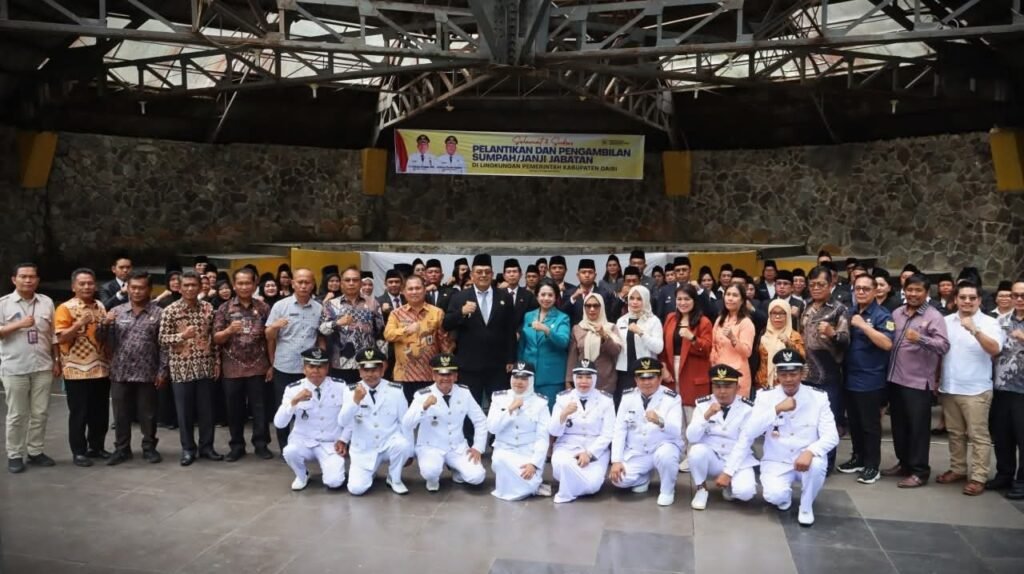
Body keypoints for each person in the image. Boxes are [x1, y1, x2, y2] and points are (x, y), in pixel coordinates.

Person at [732, 349, 839, 526]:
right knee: (774, 496)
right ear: (777, 375)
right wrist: (776, 409)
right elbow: (750, 431)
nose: (788, 379)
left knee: (817, 464)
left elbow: (832, 436)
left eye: (793, 374)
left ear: (802, 373)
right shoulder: (765, 397)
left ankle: (806, 506)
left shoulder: (818, 397)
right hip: (777, 460)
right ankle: (784, 496)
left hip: (805, 458)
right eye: (783, 374)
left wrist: (811, 451)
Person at [937, 280, 1003, 496]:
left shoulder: (990, 322)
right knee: (955, 433)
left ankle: (978, 476)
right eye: (963, 297)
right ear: (955, 300)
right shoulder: (946, 321)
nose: (967, 301)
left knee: (978, 436)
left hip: (976, 390)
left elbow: (995, 349)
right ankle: (958, 469)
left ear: (979, 300)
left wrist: (975, 330)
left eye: (972, 298)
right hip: (950, 387)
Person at [884, 273, 949, 488]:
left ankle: (920, 471)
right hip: (895, 379)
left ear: (926, 292)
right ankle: (904, 464)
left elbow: (943, 346)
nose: (913, 294)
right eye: (909, 290)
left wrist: (920, 338)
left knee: (918, 430)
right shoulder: (897, 313)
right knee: (899, 427)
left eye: (918, 290)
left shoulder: (934, 316)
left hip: (918, 383)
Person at [101, 271, 167, 466]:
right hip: (120, 371)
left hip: (148, 372)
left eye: (141, 288)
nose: (137, 291)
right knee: (121, 414)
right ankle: (122, 449)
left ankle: (149, 447)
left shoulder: (159, 313)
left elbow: (164, 346)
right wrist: (105, 324)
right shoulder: (117, 311)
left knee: (148, 414)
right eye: (133, 288)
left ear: (150, 289)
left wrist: (163, 371)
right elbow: (102, 339)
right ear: (127, 289)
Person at [0, 263, 59, 473]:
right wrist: (19, 324)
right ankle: (14, 454)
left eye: (32, 277)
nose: (28, 280)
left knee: (40, 412)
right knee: (17, 414)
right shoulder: (4, 304)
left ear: (37, 280)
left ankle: (35, 451)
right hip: (15, 366)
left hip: (42, 366)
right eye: (23, 276)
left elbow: (53, 334)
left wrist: (57, 360)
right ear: (14, 279)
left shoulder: (46, 302)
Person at [158, 270, 221, 465]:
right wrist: (182, 336)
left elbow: (214, 338)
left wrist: (217, 361)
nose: (190, 289)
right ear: (179, 287)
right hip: (181, 368)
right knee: (184, 413)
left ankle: (207, 447)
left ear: (200, 287)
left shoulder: (208, 308)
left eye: (194, 285)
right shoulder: (170, 310)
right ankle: (188, 449)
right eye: (186, 285)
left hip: (205, 366)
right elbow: (162, 339)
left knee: (207, 411)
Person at [837, 274, 895, 485]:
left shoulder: (882, 315)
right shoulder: (850, 312)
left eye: (866, 288)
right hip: (849, 378)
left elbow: (887, 344)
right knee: (854, 423)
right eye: (858, 288)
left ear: (875, 291)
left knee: (870, 426)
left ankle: (872, 465)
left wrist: (863, 326)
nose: (861, 292)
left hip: (870, 380)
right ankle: (858, 458)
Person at [442, 254, 517, 412]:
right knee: (470, 409)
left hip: (497, 364)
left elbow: (510, 329)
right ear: (471, 274)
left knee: (500, 408)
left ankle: (496, 430)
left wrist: (511, 358)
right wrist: (461, 312)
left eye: (487, 272)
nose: (483, 275)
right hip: (469, 364)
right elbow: (446, 324)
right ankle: (470, 431)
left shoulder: (504, 297)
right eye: (479, 272)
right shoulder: (459, 297)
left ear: (492, 274)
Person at [213, 268, 273, 462]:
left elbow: (271, 338)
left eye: (248, 283)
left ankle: (261, 444)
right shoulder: (224, 309)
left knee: (260, 408)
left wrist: (272, 364)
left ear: (254, 285)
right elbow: (216, 338)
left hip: (258, 366)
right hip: (232, 367)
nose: (244, 287)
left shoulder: (263, 308)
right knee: (234, 410)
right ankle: (237, 446)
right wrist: (229, 330)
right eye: (240, 283)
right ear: (234, 285)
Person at [403, 353, 487, 492]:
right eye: (441, 374)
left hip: (457, 447)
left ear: (455, 376)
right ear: (434, 375)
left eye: (449, 374)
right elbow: (407, 423)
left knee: (477, 477)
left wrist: (478, 447)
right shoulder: (422, 395)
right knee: (430, 472)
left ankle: (456, 469)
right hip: (431, 447)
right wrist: (423, 407)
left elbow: (480, 420)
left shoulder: (464, 393)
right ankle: (433, 479)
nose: (445, 378)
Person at [55, 268, 111, 467]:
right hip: (76, 370)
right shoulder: (65, 308)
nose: (87, 287)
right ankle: (79, 451)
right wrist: (79, 323)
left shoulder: (100, 306)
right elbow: (61, 337)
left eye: (90, 283)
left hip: (101, 368)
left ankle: (97, 447)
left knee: (100, 412)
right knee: (79, 413)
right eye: (82, 283)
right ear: (73, 287)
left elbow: (103, 336)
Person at [338, 348, 413, 495]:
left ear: (382, 370)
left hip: (388, 443)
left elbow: (405, 423)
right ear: (360, 372)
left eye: (374, 370)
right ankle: (369, 472)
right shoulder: (351, 391)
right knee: (356, 489)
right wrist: (355, 401)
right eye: (365, 370)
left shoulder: (395, 390)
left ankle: (394, 478)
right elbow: (342, 421)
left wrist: (410, 452)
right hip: (364, 448)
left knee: (403, 445)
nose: (370, 374)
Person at [609, 358, 683, 506]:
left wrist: (660, 421)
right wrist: (616, 460)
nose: (646, 382)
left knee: (666, 456)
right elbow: (619, 430)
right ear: (636, 379)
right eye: (642, 378)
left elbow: (676, 430)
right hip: (638, 452)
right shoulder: (628, 397)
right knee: (618, 479)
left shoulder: (672, 398)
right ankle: (644, 478)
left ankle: (667, 491)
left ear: (660, 378)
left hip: (662, 447)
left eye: (651, 378)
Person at [273, 347, 347, 491]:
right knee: (290, 451)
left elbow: (349, 418)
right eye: (311, 366)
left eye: (320, 367)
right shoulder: (293, 389)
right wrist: (294, 402)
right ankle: (302, 475)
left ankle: (333, 469)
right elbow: (279, 423)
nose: (315, 370)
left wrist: (344, 439)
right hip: (303, 441)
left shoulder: (340, 386)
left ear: (327, 368)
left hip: (330, 442)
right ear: (304, 368)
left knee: (334, 482)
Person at [687, 365, 758, 510]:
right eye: (717, 386)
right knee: (696, 451)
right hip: (712, 458)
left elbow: (744, 444)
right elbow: (691, 437)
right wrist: (706, 416)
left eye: (727, 386)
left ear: (737, 388)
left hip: (737, 459)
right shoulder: (703, 404)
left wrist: (728, 473)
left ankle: (729, 484)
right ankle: (701, 489)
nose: (722, 391)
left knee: (746, 493)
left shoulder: (747, 408)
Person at [800, 266, 850, 469]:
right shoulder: (804, 305)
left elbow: (846, 340)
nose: (816, 288)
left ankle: (826, 464)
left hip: (829, 372)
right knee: (807, 421)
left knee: (828, 420)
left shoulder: (839, 309)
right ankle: (807, 460)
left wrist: (832, 333)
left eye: (821, 284)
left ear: (830, 285)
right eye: (812, 285)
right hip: (806, 373)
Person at [549, 359, 615, 503]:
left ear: (595, 378)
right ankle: (571, 486)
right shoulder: (563, 399)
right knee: (562, 465)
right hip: (567, 447)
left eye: (588, 377)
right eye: (579, 377)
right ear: (574, 378)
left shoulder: (605, 400)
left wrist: (589, 453)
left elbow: (608, 434)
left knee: (593, 486)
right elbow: (553, 431)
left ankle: (567, 488)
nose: (583, 381)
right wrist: (563, 414)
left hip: (595, 449)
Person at [487, 362, 552, 500]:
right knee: (500, 460)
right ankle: (532, 486)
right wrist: (510, 409)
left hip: (528, 452)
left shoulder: (540, 403)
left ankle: (529, 484)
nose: (519, 382)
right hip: (505, 451)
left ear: (531, 380)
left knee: (530, 481)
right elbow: (492, 428)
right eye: (516, 377)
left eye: (524, 378)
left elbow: (542, 438)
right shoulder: (499, 398)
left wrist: (534, 463)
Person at [384, 274, 451, 403]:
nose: (414, 292)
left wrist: (446, 369)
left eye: (418, 288)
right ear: (403, 292)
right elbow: (388, 335)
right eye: (410, 289)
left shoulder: (437, 312)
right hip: (404, 375)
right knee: (405, 412)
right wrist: (406, 330)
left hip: (429, 374)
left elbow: (444, 343)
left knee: (430, 410)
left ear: (425, 290)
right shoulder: (396, 314)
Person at [991, 279, 1024, 499]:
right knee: (1002, 435)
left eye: (1023, 296)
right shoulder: (1001, 320)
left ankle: (1022, 481)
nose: (1019, 299)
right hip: (1001, 387)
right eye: (1015, 295)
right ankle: (1004, 474)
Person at [518, 279, 571, 409]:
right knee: (528, 413)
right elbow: (522, 344)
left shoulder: (562, 317)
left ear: (556, 297)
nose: (546, 298)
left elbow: (564, 342)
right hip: (528, 374)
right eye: (543, 295)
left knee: (549, 412)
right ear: (537, 296)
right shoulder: (528, 316)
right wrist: (519, 367)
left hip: (551, 376)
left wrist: (547, 330)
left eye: (550, 295)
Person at [661, 284, 714, 409]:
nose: (683, 303)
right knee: (672, 412)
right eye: (679, 299)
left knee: (692, 415)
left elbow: (707, 349)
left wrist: (693, 338)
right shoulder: (671, 318)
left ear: (694, 300)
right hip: (671, 372)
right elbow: (663, 348)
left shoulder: (704, 322)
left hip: (693, 373)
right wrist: (663, 367)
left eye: (687, 299)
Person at [613, 285, 664, 406]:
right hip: (624, 372)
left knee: (646, 406)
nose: (634, 302)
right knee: (624, 406)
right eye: (632, 298)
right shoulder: (621, 320)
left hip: (646, 371)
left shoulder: (653, 320)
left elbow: (658, 348)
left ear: (646, 300)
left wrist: (641, 333)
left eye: (639, 299)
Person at [565, 293, 621, 396]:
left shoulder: (611, 327)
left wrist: (604, 335)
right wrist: (569, 380)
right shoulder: (577, 328)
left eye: (596, 306)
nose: (592, 309)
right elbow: (572, 357)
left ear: (602, 307)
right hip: (583, 381)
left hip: (605, 381)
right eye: (588, 306)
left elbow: (615, 351)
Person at [710, 284, 755, 398]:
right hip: (719, 373)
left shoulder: (746, 322)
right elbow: (713, 344)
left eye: (735, 295)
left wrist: (733, 338)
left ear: (742, 300)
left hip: (737, 375)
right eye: (728, 294)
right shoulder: (720, 319)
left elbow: (747, 352)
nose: (730, 298)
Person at [756, 299, 805, 390]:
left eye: (782, 313)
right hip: (762, 383)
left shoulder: (794, 335)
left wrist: (789, 343)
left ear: (788, 315)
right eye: (774, 313)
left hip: (786, 384)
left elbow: (802, 357)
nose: (777, 316)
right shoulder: (763, 334)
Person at [562, 259, 614, 326]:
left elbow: (609, 317)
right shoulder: (569, 293)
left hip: (599, 330)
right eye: (583, 272)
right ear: (578, 275)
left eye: (590, 272)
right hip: (576, 331)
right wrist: (573, 298)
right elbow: (562, 314)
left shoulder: (604, 294)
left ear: (595, 275)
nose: (587, 275)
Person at [502, 258, 538, 329]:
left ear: (520, 274)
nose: (512, 274)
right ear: (504, 276)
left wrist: (520, 331)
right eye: (508, 272)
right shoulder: (497, 295)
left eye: (515, 271)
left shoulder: (529, 296)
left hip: (522, 333)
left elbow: (531, 319)